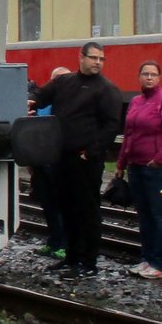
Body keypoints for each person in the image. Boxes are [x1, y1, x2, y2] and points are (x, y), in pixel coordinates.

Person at [29, 42, 122, 278]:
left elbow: (112, 125)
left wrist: (91, 151)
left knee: (87, 210)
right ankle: (71, 256)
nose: (98, 62)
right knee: (66, 207)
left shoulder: (106, 89)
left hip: (86, 159)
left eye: (102, 59)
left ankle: (88, 261)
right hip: (62, 156)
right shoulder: (64, 82)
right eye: (93, 58)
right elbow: (40, 95)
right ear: (80, 57)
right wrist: (31, 101)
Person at [115, 61, 162, 279]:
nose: (149, 78)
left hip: (159, 169)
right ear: (139, 76)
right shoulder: (135, 101)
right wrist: (121, 164)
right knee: (144, 217)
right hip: (136, 167)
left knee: (160, 216)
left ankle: (161, 264)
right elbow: (129, 135)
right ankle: (147, 258)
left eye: (153, 74)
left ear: (159, 78)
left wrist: (160, 159)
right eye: (145, 74)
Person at [32, 66, 71, 259]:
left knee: (61, 204)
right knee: (47, 204)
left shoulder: (71, 105)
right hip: (41, 159)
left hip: (60, 160)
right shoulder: (42, 103)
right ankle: (53, 241)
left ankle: (64, 243)